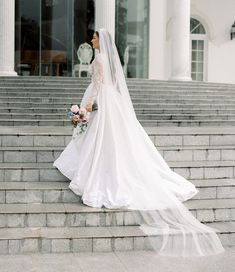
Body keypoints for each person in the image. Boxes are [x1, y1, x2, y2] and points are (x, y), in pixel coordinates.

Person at [53, 28, 224, 256]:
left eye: (93, 37)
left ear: (101, 42)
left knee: (98, 136)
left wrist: (86, 108)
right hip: (110, 99)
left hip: (101, 100)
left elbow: (96, 85)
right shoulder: (105, 59)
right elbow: (110, 83)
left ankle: (97, 169)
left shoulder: (100, 60)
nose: (91, 40)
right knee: (102, 137)